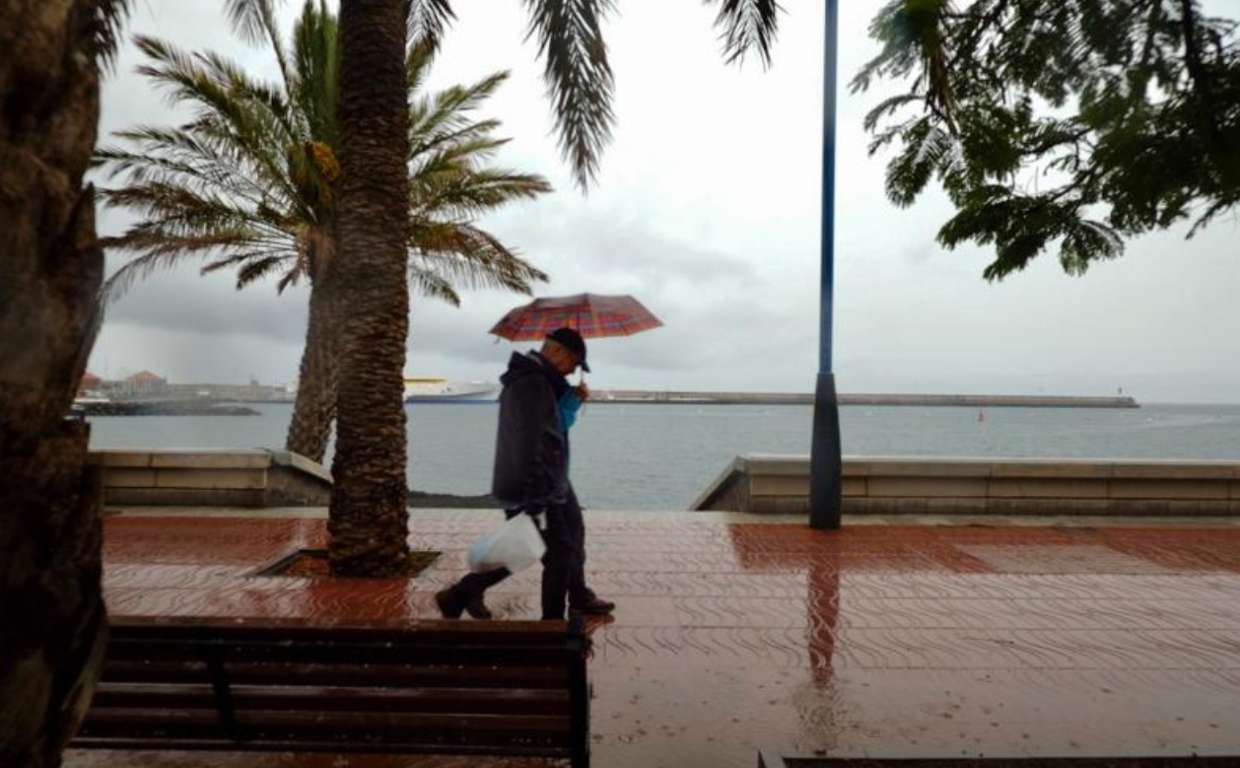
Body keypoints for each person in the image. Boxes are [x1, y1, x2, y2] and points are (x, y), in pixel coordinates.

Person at [436, 327, 615, 620]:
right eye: (574, 362)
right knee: (545, 551)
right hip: (537, 483)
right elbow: (538, 441)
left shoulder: (540, 380)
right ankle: (549, 624)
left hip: (549, 479)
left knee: (566, 537)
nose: (572, 371)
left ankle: (578, 595)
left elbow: (551, 428)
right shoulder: (533, 384)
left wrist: (570, 399)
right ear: (556, 351)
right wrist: (539, 498)